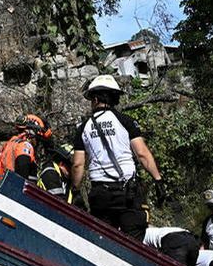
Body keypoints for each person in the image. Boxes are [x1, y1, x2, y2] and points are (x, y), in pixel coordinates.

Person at [69, 74, 162, 239]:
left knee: (105, 240)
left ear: (96, 98)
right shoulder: (125, 121)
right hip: (127, 193)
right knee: (134, 240)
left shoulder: (83, 127)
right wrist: (158, 180)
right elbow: (142, 154)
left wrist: (75, 191)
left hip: (101, 195)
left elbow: (78, 164)